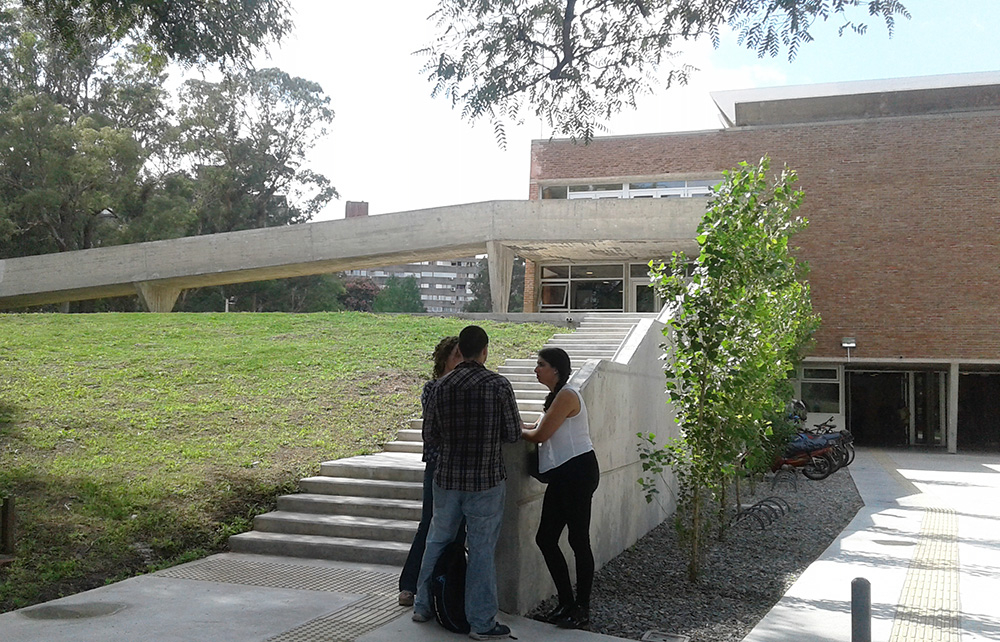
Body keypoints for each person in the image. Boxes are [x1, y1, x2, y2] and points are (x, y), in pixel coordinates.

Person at [412, 325, 522, 640]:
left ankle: (423, 605)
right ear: (484, 350)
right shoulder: (498, 385)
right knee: (482, 550)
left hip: (447, 478)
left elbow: (430, 434)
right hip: (486, 480)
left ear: (460, 349)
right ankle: (481, 623)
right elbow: (513, 433)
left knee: (437, 540)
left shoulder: (440, 387)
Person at [521, 347, 599, 630]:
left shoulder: (567, 395)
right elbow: (536, 426)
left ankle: (582, 608)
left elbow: (540, 434)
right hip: (563, 475)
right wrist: (516, 425)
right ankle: (566, 602)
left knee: (578, 541)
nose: (536, 369)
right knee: (546, 538)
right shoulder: (555, 397)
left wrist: (515, 430)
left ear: (556, 369)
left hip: (578, 473)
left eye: (541, 364)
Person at [397, 335, 463, 607]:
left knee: (460, 528)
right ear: (444, 359)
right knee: (428, 522)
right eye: (456, 354)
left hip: (463, 465)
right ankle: (409, 585)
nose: (460, 360)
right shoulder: (433, 388)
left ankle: (448, 586)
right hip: (438, 462)